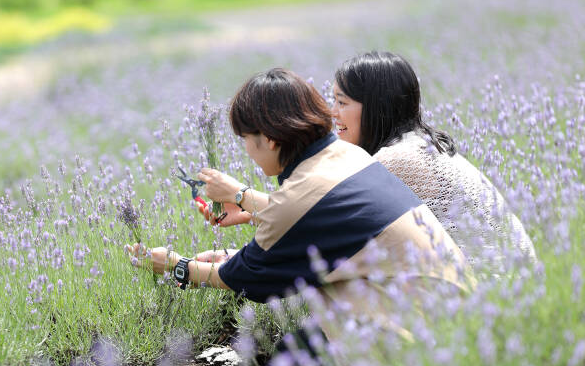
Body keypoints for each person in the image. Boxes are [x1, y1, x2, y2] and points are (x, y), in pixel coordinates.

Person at [125, 68, 472, 344]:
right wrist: (245, 203)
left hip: (424, 344)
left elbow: (242, 278)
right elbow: (316, 218)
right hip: (460, 315)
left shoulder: (298, 199)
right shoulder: (348, 155)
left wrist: (174, 265)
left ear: (270, 139)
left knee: (298, 349)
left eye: (246, 139)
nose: (246, 149)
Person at [200, 52, 535, 274]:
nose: (332, 113)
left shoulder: (396, 160)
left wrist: (242, 198)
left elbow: (321, 228)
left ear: (374, 107)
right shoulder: (417, 144)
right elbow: (320, 221)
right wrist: (249, 212)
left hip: (490, 299)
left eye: (342, 102)